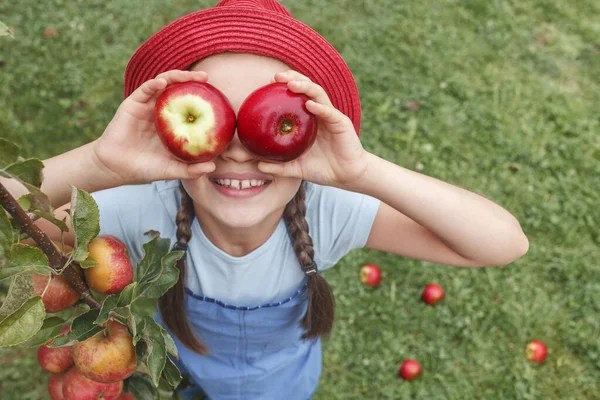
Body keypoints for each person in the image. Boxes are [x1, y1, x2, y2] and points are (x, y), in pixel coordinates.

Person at [2, 0, 529, 398]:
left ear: (309, 132)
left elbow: (501, 243)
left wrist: (363, 172)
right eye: (217, 122)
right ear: (171, 133)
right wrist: (100, 163)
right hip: (182, 370)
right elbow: (11, 212)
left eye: (263, 126)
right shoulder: (144, 209)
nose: (235, 152)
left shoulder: (329, 211)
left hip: (285, 382)